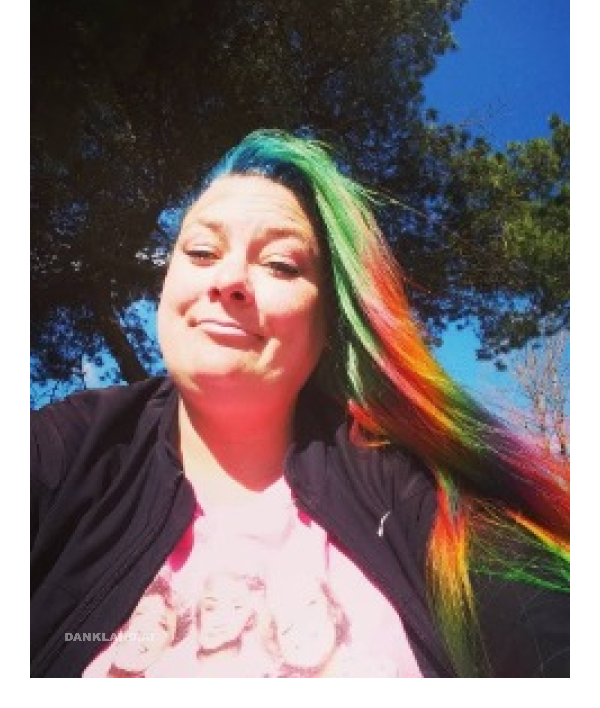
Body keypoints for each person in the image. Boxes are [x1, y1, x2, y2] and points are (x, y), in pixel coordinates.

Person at [31, 129, 569, 677]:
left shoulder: (407, 489)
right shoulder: (67, 449)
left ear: (326, 322)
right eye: (201, 252)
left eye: (281, 264)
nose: (229, 280)